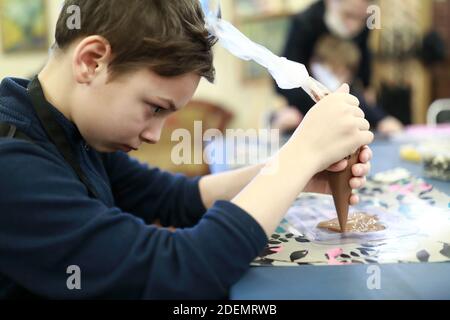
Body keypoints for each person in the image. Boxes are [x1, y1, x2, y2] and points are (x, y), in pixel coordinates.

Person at [0, 0, 373, 299]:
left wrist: (296, 173)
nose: (155, 135)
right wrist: (300, 156)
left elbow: (177, 199)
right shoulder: (12, 160)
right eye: (155, 108)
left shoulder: (69, 128)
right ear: (92, 60)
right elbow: (181, 272)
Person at [275, 0, 403, 135]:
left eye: (361, 19)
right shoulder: (305, 24)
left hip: (340, 95)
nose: (354, 27)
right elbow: (284, 79)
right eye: (349, 16)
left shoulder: (363, 22)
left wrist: (377, 113)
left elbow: (363, 64)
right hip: (305, 99)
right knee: (290, 118)